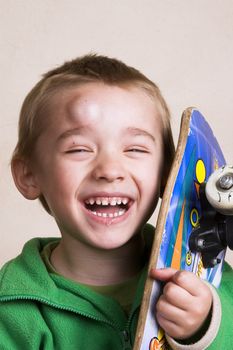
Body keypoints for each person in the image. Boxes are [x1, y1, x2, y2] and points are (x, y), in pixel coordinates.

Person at [0, 54, 232, 350]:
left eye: (135, 148)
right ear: (29, 175)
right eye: (79, 149)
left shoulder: (207, 275)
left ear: (166, 174)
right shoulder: (11, 308)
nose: (110, 170)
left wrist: (205, 329)